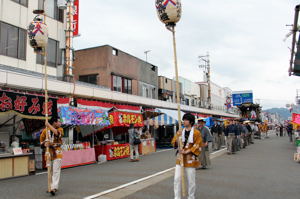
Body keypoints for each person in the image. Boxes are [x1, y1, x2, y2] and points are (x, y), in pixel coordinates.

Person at [172, 113, 202, 199]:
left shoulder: (196, 133)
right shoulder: (180, 131)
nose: (184, 121)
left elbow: (198, 144)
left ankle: (191, 197)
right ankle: (177, 197)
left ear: (191, 122)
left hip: (190, 158)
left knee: (191, 180)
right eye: (183, 120)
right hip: (180, 157)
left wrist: (188, 151)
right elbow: (173, 142)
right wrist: (178, 139)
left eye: (185, 120)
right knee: (177, 179)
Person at [40, 116, 63, 196]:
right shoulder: (44, 131)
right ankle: (50, 186)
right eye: (59, 121)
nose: (60, 123)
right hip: (48, 152)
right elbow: (41, 143)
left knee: (56, 170)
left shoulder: (60, 129)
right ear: (54, 122)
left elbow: (57, 133)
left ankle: (54, 187)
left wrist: (48, 125)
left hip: (57, 151)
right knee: (49, 170)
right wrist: (44, 144)